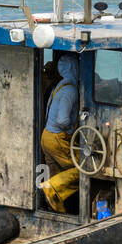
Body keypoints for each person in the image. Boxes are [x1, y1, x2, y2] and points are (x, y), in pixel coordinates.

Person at [39, 52, 80, 212]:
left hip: (46, 137)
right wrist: (72, 128)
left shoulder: (60, 85)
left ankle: (57, 210)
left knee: (56, 175)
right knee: (82, 169)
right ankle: (51, 186)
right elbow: (63, 120)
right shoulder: (70, 91)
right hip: (57, 139)